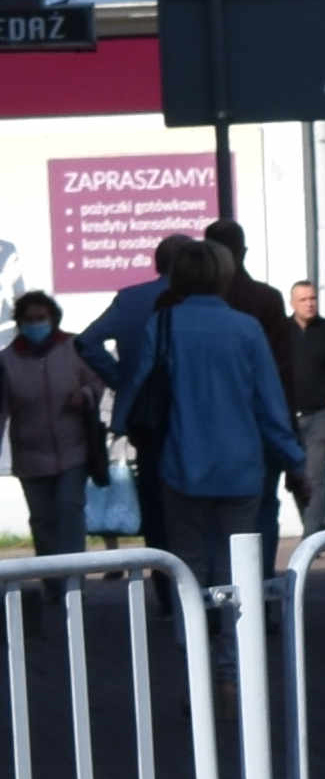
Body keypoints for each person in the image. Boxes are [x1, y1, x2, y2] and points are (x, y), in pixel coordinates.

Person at [129, 238, 302, 579]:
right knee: (238, 564)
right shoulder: (246, 328)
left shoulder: (162, 325)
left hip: (181, 462)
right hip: (240, 466)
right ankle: (236, 632)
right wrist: (294, 460)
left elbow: (140, 388)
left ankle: (191, 632)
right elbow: (270, 404)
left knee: (187, 562)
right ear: (224, 275)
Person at [80, 234, 197, 556]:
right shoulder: (198, 300)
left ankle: (164, 585)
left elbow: (87, 342)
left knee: (154, 502)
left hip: (146, 417)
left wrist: (123, 381)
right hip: (195, 414)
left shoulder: (130, 298)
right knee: (194, 504)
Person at [5, 292, 106, 556]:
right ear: (19, 322)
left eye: (41, 318)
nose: (35, 324)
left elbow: (96, 382)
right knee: (42, 522)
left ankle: (73, 588)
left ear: (53, 319)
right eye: (29, 319)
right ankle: (52, 587)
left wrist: (84, 396)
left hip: (73, 452)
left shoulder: (74, 347)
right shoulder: (7, 360)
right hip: (30, 457)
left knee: (70, 513)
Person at [277, 279, 325, 546]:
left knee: (315, 475)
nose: (309, 304)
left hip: (322, 413)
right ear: (292, 303)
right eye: (303, 300)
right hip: (288, 417)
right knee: (296, 479)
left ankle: (311, 539)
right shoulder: (281, 332)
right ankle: (317, 525)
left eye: (312, 299)